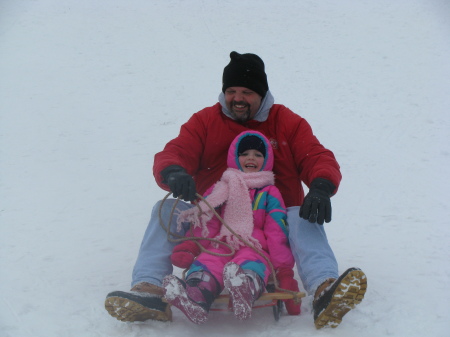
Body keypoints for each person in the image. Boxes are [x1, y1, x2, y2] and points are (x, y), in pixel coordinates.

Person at [104, 51, 367, 329]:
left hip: (272, 219)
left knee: (303, 215)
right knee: (166, 210)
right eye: (231, 91)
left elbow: (315, 155)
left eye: (246, 92)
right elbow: (176, 150)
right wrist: (174, 171)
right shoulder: (206, 121)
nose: (237, 98)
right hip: (214, 221)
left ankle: (324, 288)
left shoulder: (285, 122)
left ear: (262, 95)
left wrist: (321, 185)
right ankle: (149, 289)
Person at [162, 130, 301, 324]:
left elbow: (276, 231)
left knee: (250, 262)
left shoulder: (270, 192)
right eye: (244, 153)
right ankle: (196, 295)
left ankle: (245, 289)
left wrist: (284, 272)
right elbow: (207, 221)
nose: (251, 157)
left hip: (255, 245)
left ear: (267, 160)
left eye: (258, 154)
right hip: (221, 242)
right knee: (208, 261)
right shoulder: (220, 188)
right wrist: (190, 246)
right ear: (235, 157)